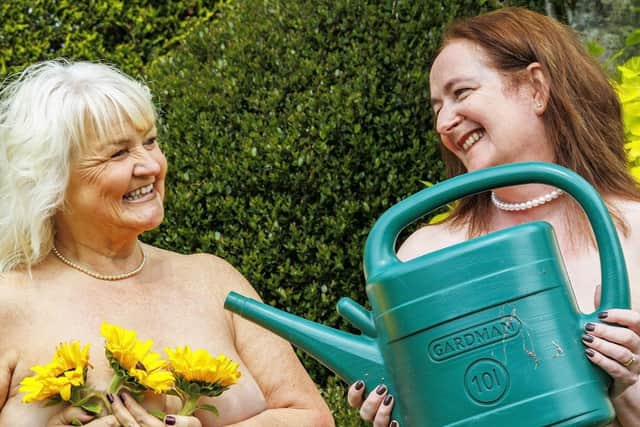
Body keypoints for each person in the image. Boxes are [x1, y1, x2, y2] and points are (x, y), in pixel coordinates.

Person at [347, 6, 640, 427]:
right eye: (436, 109)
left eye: (461, 93)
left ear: (536, 88)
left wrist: (628, 383)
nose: (444, 123)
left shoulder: (633, 230)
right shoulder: (424, 252)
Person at [0, 59, 335, 427]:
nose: (150, 166)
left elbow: (312, 416)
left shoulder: (213, 280)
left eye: (150, 142)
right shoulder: (8, 303)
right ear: (52, 180)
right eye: (118, 153)